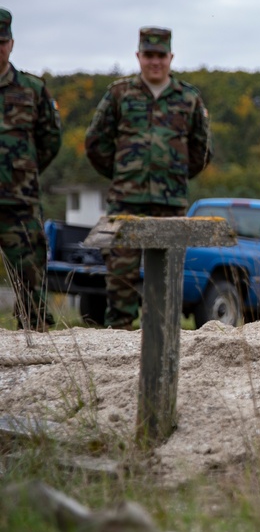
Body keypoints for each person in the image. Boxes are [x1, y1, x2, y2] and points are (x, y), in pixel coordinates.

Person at [85, 27, 212, 329]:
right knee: (120, 280)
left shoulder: (188, 98)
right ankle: (118, 348)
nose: (155, 62)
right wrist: (122, 174)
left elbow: (201, 150)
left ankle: (162, 347)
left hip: (170, 204)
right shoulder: (120, 94)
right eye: (148, 55)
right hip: (125, 202)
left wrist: (175, 176)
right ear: (138, 56)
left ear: (171, 57)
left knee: (168, 283)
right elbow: (95, 142)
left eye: (161, 56)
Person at [0, 8, 62, 330]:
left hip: (19, 205)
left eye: (2, 42)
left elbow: (50, 140)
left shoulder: (32, 89)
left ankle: (36, 357)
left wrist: (25, 172)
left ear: (11, 44)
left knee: (31, 284)